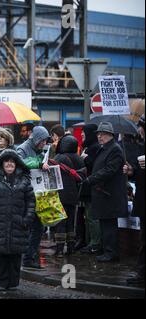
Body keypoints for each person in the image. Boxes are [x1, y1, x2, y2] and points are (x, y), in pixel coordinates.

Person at [0, 149, 35, 291]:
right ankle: (2, 283)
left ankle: (13, 283)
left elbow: (31, 202)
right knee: (2, 257)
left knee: (15, 256)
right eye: (6, 161)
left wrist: (27, 219)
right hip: (0, 224)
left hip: (18, 224)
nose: (9, 164)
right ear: (2, 164)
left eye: (12, 161)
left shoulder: (24, 181)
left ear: (16, 164)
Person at [82, 122, 128, 262]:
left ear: (110, 135)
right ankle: (107, 250)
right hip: (103, 194)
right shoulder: (105, 148)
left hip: (110, 194)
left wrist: (91, 179)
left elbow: (109, 170)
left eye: (102, 134)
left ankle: (111, 253)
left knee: (109, 226)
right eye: (98, 134)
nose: (99, 136)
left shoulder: (115, 149)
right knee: (104, 224)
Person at [16, 125, 50, 270]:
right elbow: (21, 163)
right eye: (42, 140)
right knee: (33, 227)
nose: (44, 143)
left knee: (38, 227)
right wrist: (39, 162)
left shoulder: (40, 150)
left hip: (37, 192)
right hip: (26, 194)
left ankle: (30, 257)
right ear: (36, 139)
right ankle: (28, 257)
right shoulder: (22, 148)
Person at [52, 134, 85, 257]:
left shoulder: (59, 157)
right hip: (74, 196)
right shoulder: (79, 159)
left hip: (60, 195)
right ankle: (71, 248)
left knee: (60, 223)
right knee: (71, 222)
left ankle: (59, 250)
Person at [124, 114, 145, 286]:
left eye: (141, 126)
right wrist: (132, 171)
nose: (139, 130)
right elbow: (140, 175)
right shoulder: (140, 148)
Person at [79, 124, 102, 254]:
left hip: (93, 187)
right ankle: (90, 242)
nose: (82, 135)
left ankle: (95, 244)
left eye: (84, 133)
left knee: (92, 217)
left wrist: (86, 159)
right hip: (88, 187)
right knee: (88, 216)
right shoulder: (89, 148)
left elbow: (95, 167)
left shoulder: (94, 149)